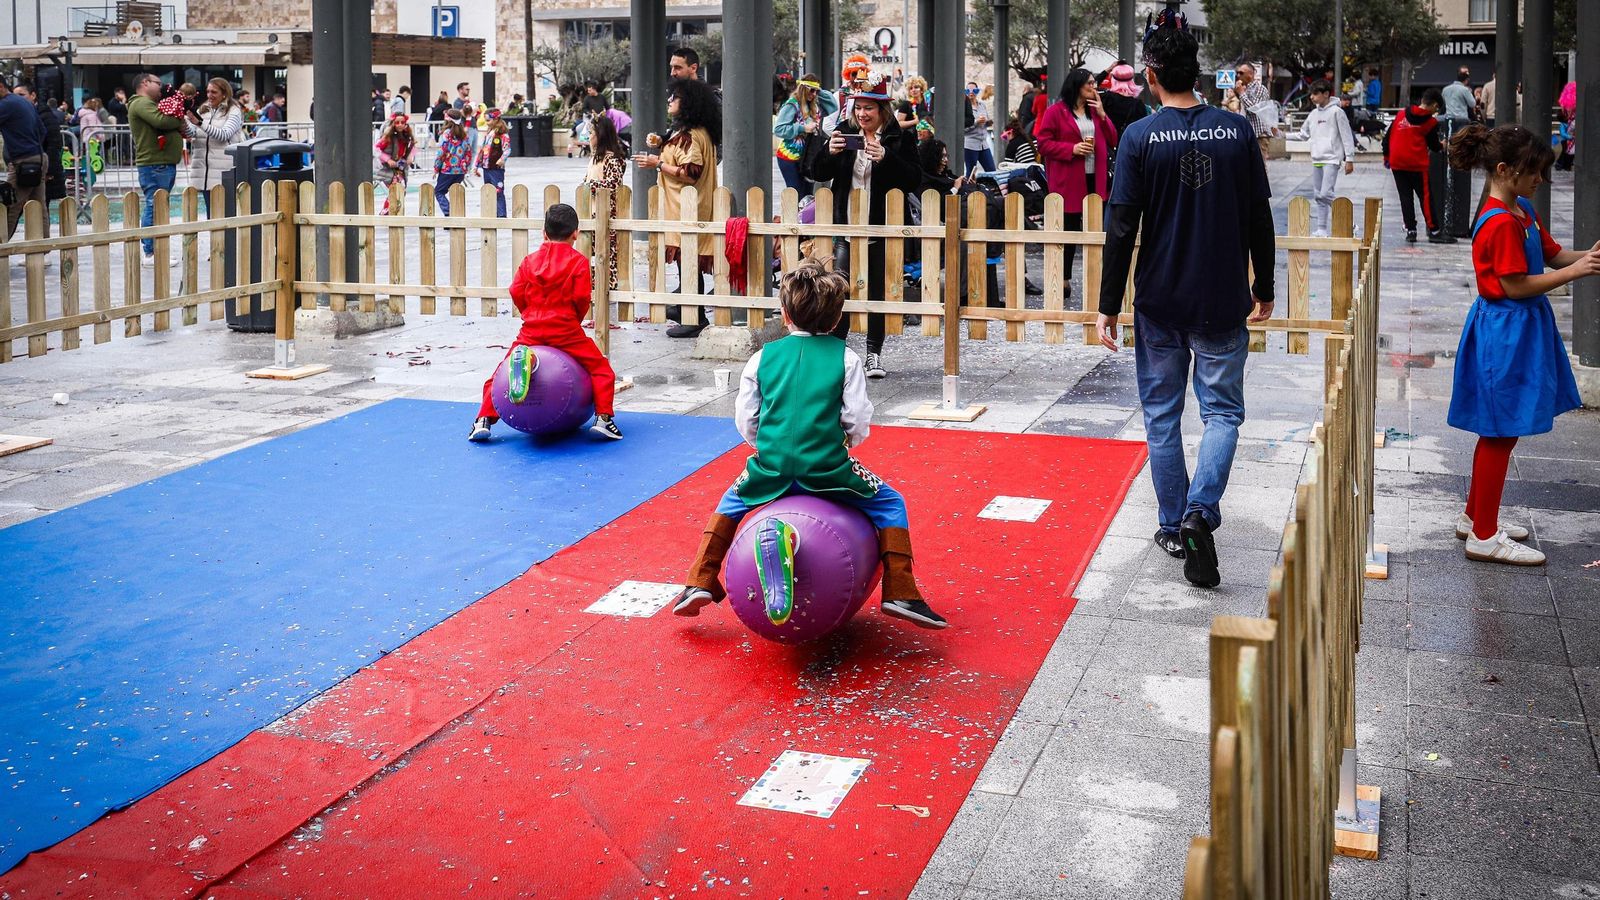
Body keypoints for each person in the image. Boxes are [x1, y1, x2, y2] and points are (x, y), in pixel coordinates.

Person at [1095, 11, 1277, 588]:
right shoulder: (1235, 131)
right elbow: (1258, 216)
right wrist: (1264, 285)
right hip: (1223, 296)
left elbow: (1121, 228)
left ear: (1151, 76)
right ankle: (1203, 510)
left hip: (1160, 300)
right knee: (1222, 412)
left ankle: (1173, 523)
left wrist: (1107, 304)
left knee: (1162, 415)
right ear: (1196, 73)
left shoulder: (1140, 137)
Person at [669, 261, 948, 630]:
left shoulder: (761, 358)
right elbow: (857, 418)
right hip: (829, 467)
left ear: (784, 314)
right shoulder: (846, 359)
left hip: (770, 467)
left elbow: (746, 419)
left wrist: (767, 445)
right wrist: (846, 441)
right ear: (836, 321)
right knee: (890, 501)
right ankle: (901, 590)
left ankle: (699, 580)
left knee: (728, 506)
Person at [1445, 124, 1600, 564]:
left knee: (1498, 429)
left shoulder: (1522, 209)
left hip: (1516, 330)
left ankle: (1477, 517)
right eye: (1534, 171)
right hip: (1506, 332)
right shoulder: (1498, 223)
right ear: (1503, 170)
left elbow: (1552, 255)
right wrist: (1579, 271)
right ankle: (1484, 535)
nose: (1541, 180)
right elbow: (1515, 285)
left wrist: (1588, 256)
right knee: (1499, 432)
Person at [469, 203, 622, 443]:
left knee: (503, 370)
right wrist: (573, 320)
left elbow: (516, 290)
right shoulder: (578, 262)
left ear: (544, 232)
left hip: (532, 331)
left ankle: (483, 420)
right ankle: (604, 419)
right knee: (601, 369)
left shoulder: (530, 261)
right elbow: (582, 298)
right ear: (575, 233)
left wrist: (529, 313)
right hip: (566, 330)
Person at [806, 75, 921, 378]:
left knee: (879, 293)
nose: (862, 115)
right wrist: (829, 152)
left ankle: (873, 354)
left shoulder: (899, 138)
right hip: (847, 226)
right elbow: (815, 170)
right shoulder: (843, 132)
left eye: (869, 108)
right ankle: (837, 353)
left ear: (882, 110)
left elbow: (914, 179)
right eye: (858, 108)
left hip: (882, 228)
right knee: (840, 290)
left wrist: (886, 158)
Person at [633, 77, 720, 338]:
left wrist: (657, 163)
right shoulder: (692, 133)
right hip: (688, 208)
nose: (670, 101)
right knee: (687, 265)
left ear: (689, 103)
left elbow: (691, 171)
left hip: (688, 209)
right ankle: (683, 309)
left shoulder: (691, 136)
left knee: (689, 264)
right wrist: (662, 142)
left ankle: (694, 318)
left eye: (675, 97)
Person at [1036, 68, 1118, 300]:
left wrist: (1103, 114)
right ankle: (1063, 279)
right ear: (1077, 86)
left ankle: (1100, 280)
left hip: (1096, 179)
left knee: (1097, 231)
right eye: (1090, 84)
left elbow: (1113, 139)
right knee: (1069, 232)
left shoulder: (1095, 111)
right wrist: (1071, 149)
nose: (1095, 87)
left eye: (1095, 83)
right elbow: (1043, 144)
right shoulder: (1056, 112)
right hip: (1069, 180)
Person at [1286, 80, 1356, 237]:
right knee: (1319, 195)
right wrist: (1281, 134)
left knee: (1324, 194)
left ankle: (1350, 223)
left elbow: (1347, 136)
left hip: (1332, 159)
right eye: (1311, 94)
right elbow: (1303, 134)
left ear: (1326, 94)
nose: (1312, 97)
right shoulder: (1313, 114)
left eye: (1315, 93)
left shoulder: (1338, 112)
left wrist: (1349, 159)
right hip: (1317, 158)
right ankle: (1322, 229)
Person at [127, 73, 185, 260]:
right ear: (145, 83)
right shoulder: (141, 103)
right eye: (158, 83)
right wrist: (179, 117)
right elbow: (163, 121)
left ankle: (155, 250)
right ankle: (150, 253)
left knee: (158, 206)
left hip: (159, 163)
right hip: (155, 164)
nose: (161, 87)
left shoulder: (146, 104)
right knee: (154, 205)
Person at [1383, 87, 1451, 243]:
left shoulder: (1401, 114)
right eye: (1436, 108)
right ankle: (1434, 231)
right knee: (1425, 197)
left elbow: (1387, 137)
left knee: (1405, 197)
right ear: (1433, 104)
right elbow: (1434, 146)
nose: (1436, 112)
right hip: (1417, 165)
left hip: (1397, 163)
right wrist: (1443, 146)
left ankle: (1411, 230)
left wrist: (1387, 157)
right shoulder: (1430, 122)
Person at [185, 78, 246, 216]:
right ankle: (215, 239)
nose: (209, 95)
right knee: (210, 214)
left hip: (223, 170)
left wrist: (200, 123)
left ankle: (228, 238)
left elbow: (224, 134)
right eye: (207, 91)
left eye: (214, 92)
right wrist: (182, 122)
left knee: (225, 214)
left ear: (224, 94)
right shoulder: (203, 110)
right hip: (204, 171)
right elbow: (192, 133)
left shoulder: (234, 111)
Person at [584, 113, 629, 290]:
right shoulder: (595, 158)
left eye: (591, 133)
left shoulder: (612, 159)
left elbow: (613, 183)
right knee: (594, 257)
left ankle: (608, 295)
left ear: (600, 135)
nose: (589, 137)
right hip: (592, 213)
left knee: (607, 256)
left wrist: (590, 186)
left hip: (606, 214)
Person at [0, 77, 48, 241]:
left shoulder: (6, 105)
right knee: (38, 205)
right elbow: (42, 131)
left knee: (10, 204)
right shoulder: (24, 102)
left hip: (24, 161)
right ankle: (42, 248)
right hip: (39, 157)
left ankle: (2, 247)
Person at [774, 74, 836, 199]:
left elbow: (833, 106)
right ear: (803, 89)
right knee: (796, 195)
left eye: (816, 91)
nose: (814, 94)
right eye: (811, 90)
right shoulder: (791, 105)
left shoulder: (813, 105)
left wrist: (818, 90)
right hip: (790, 157)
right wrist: (802, 128)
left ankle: (803, 219)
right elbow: (779, 129)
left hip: (808, 157)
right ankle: (794, 218)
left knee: (807, 196)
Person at [432, 108, 472, 215]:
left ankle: (448, 212)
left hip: (447, 169)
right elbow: (468, 153)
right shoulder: (464, 134)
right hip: (460, 170)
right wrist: (465, 166)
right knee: (454, 193)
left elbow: (441, 153)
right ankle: (456, 215)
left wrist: (436, 168)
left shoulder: (446, 134)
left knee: (439, 192)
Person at [1232, 62, 1277, 156]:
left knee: (1259, 167)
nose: (1238, 75)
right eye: (1237, 72)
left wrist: (1241, 93)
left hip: (1259, 135)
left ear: (1251, 74)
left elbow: (1254, 110)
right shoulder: (1245, 89)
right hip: (1247, 133)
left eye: (1241, 73)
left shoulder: (1260, 89)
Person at [374, 113, 416, 215]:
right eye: (397, 122)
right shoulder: (387, 137)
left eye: (402, 122)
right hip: (386, 168)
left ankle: (389, 210)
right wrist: (387, 159)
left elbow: (413, 146)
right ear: (393, 124)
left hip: (399, 167)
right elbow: (375, 149)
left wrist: (411, 156)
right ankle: (387, 211)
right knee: (396, 189)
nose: (400, 125)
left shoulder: (407, 136)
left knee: (400, 190)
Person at [476, 110, 510, 217]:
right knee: (488, 190)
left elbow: (507, 149)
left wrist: (502, 159)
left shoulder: (502, 135)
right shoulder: (489, 133)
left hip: (496, 168)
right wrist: (476, 165)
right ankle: (490, 213)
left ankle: (501, 214)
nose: (487, 122)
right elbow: (483, 149)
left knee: (498, 191)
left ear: (496, 119)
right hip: (486, 167)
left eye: (488, 120)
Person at [963, 82, 995, 175]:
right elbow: (962, 129)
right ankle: (969, 189)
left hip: (983, 144)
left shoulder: (982, 105)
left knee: (992, 171)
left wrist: (988, 122)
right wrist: (976, 123)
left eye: (975, 90)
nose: (971, 93)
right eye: (968, 91)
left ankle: (992, 188)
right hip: (970, 144)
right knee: (970, 173)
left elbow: (986, 122)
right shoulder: (964, 107)